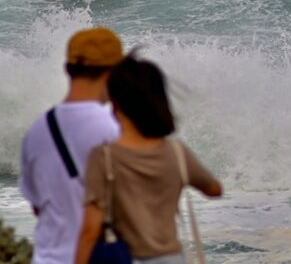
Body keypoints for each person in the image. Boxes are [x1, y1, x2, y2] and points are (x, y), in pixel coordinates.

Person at [75, 54, 222, 264]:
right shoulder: (177, 153)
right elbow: (214, 189)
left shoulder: (104, 157)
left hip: (127, 258)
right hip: (172, 259)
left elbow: (90, 229)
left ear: (115, 102)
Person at [20, 27, 124, 264]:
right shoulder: (114, 131)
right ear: (115, 72)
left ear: (67, 69)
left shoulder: (36, 131)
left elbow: (37, 207)